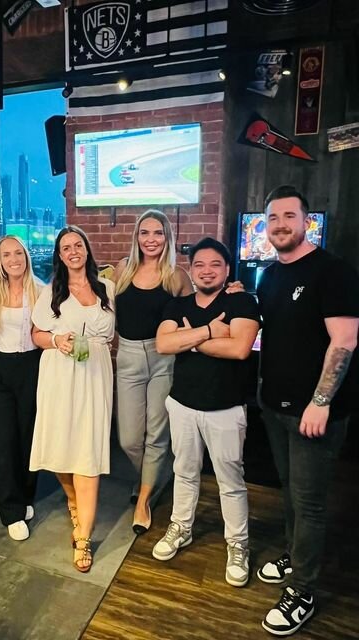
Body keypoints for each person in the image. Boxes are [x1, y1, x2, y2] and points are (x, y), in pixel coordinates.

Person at [256, 185, 359, 636]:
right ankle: (296, 555)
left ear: (306, 221)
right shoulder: (269, 276)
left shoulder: (333, 272)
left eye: (289, 216)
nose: (280, 225)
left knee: (309, 502)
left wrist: (320, 402)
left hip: (315, 413)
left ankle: (303, 590)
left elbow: (345, 341)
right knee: (290, 492)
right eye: (273, 218)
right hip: (275, 406)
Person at [152, 237, 260, 587]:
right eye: (199, 264)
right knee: (184, 471)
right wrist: (212, 332)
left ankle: (238, 544)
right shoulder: (177, 304)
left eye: (215, 264)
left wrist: (192, 341)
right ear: (191, 270)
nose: (207, 270)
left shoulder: (242, 301)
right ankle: (181, 527)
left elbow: (240, 348)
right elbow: (164, 343)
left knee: (231, 481)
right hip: (182, 404)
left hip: (225, 409)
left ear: (227, 269)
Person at [30, 225, 115, 573]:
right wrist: (56, 341)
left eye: (78, 245)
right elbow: (36, 334)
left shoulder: (107, 288)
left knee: (88, 449)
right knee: (60, 445)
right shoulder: (51, 291)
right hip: (59, 372)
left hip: (95, 372)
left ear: (86, 249)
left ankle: (84, 537)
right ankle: (73, 500)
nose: (73, 251)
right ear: (60, 255)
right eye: (66, 247)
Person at [114, 209, 193, 534]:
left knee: (157, 435)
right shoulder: (122, 269)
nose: (151, 239)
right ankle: (156, 476)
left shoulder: (176, 276)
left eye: (158, 233)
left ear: (167, 237)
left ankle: (144, 498)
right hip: (128, 357)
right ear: (137, 237)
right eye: (144, 233)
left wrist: (230, 293)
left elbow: (198, 312)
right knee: (129, 439)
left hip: (164, 359)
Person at [0, 235, 41, 541]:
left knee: (28, 439)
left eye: (18, 253)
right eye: (6, 255)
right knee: (3, 441)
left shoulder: (41, 290)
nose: (13, 259)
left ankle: (25, 495)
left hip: (31, 367)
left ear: (26, 256)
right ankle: (11, 511)